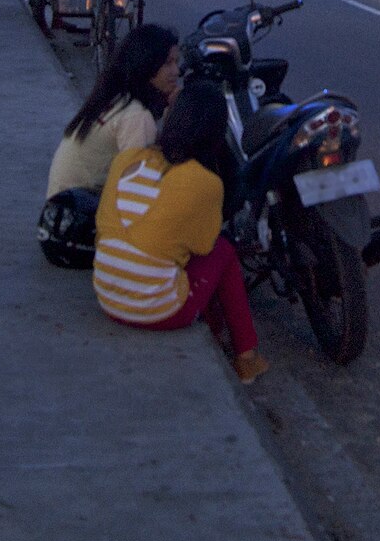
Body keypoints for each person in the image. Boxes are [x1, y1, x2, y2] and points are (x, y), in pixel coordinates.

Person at [93, 82, 267, 383]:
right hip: (155, 312)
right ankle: (246, 357)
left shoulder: (126, 160)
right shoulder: (205, 182)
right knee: (224, 251)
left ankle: (225, 338)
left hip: (107, 296)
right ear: (216, 133)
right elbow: (203, 247)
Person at [46, 24, 180, 198]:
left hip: (64, 208)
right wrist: (176, 118)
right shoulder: (136, 116)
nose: (176, 72)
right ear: (145, 64)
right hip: (86, 215)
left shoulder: (113, 98)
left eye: (177, 62)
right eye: (167, 63)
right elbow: (142, 187)